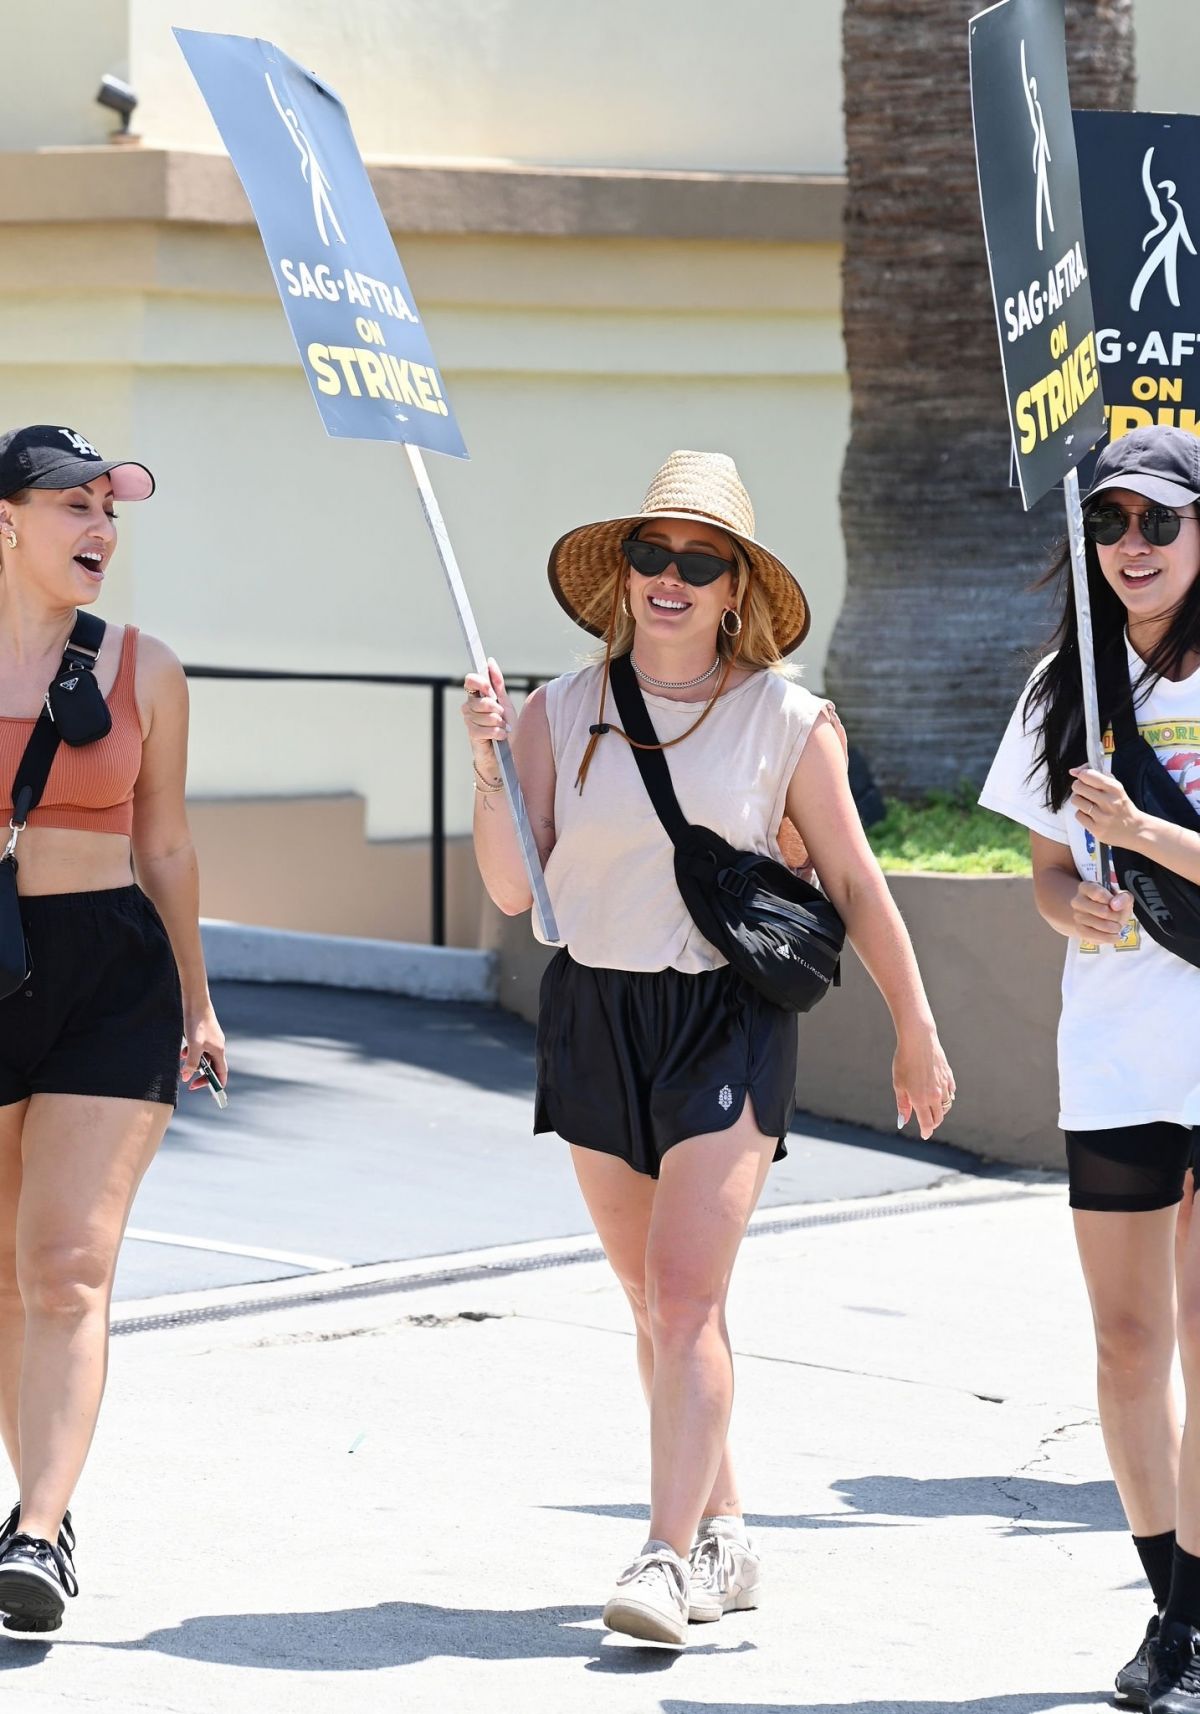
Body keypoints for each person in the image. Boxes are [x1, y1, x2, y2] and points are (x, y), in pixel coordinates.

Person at [461, 449, 955, 1646]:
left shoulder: (787, 720)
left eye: (700, 562)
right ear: (622, 574)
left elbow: (852, 877)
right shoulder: (556, 711)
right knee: (650, 1302)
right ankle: (726, 1529)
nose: (670, 578)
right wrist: (486, 763)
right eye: (652, 555)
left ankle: (666, 1553)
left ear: (737, 590)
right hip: (595, 1011)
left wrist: (917, 1025)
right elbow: (512, 889)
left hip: (723, 1018)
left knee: (687, 1296)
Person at [979, 426, 1200, 1713]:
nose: (1132, 545)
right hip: (1117, 1048)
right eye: (1111, 522)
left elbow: (1133, 839)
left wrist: (1150, 835)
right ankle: (1171, 1608)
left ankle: (1194, 1620)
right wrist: (1080, 906)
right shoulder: (1065, 682)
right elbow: (1049, 873)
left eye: (1160, 522)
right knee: (1127, 1342)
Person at [0, 425, 227, 1632]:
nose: (99, 530)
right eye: (73, 506)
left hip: (111, 979)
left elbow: (168, 844)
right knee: (3, 1271)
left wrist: (197, 997)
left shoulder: (147, 668)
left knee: (67, 1263)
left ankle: (38, 1532)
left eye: (111, 511)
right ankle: (44, 1492)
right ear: (5, 523)